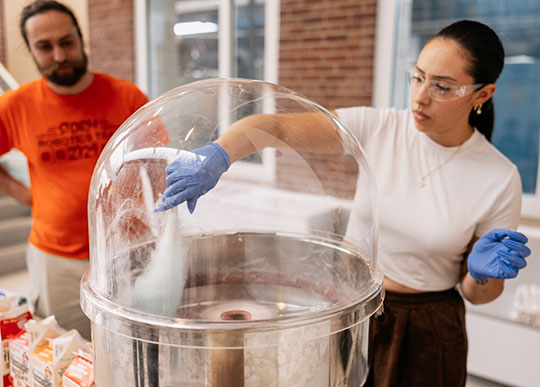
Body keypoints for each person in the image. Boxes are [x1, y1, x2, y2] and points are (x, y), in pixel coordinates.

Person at [156, 20, 531, 386]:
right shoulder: (377, 127)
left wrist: (483, 275)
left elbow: (477, 295)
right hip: (355, 310)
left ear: (482, 95)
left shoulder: (497, 177)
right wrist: (221, 153)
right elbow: (276, 128)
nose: (420, 96)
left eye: (443, 87)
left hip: (428, 330)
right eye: (417, 77)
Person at [0, 0, 148, 339]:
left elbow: (156, 164)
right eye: (45, 47)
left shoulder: (127, 98)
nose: (59, 55)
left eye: (66, 42)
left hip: (129, 250)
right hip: (57, 258)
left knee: (134, 347)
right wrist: (23, 194)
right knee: (68, 351)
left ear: (81, 39)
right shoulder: (15, 106)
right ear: (30, 50)